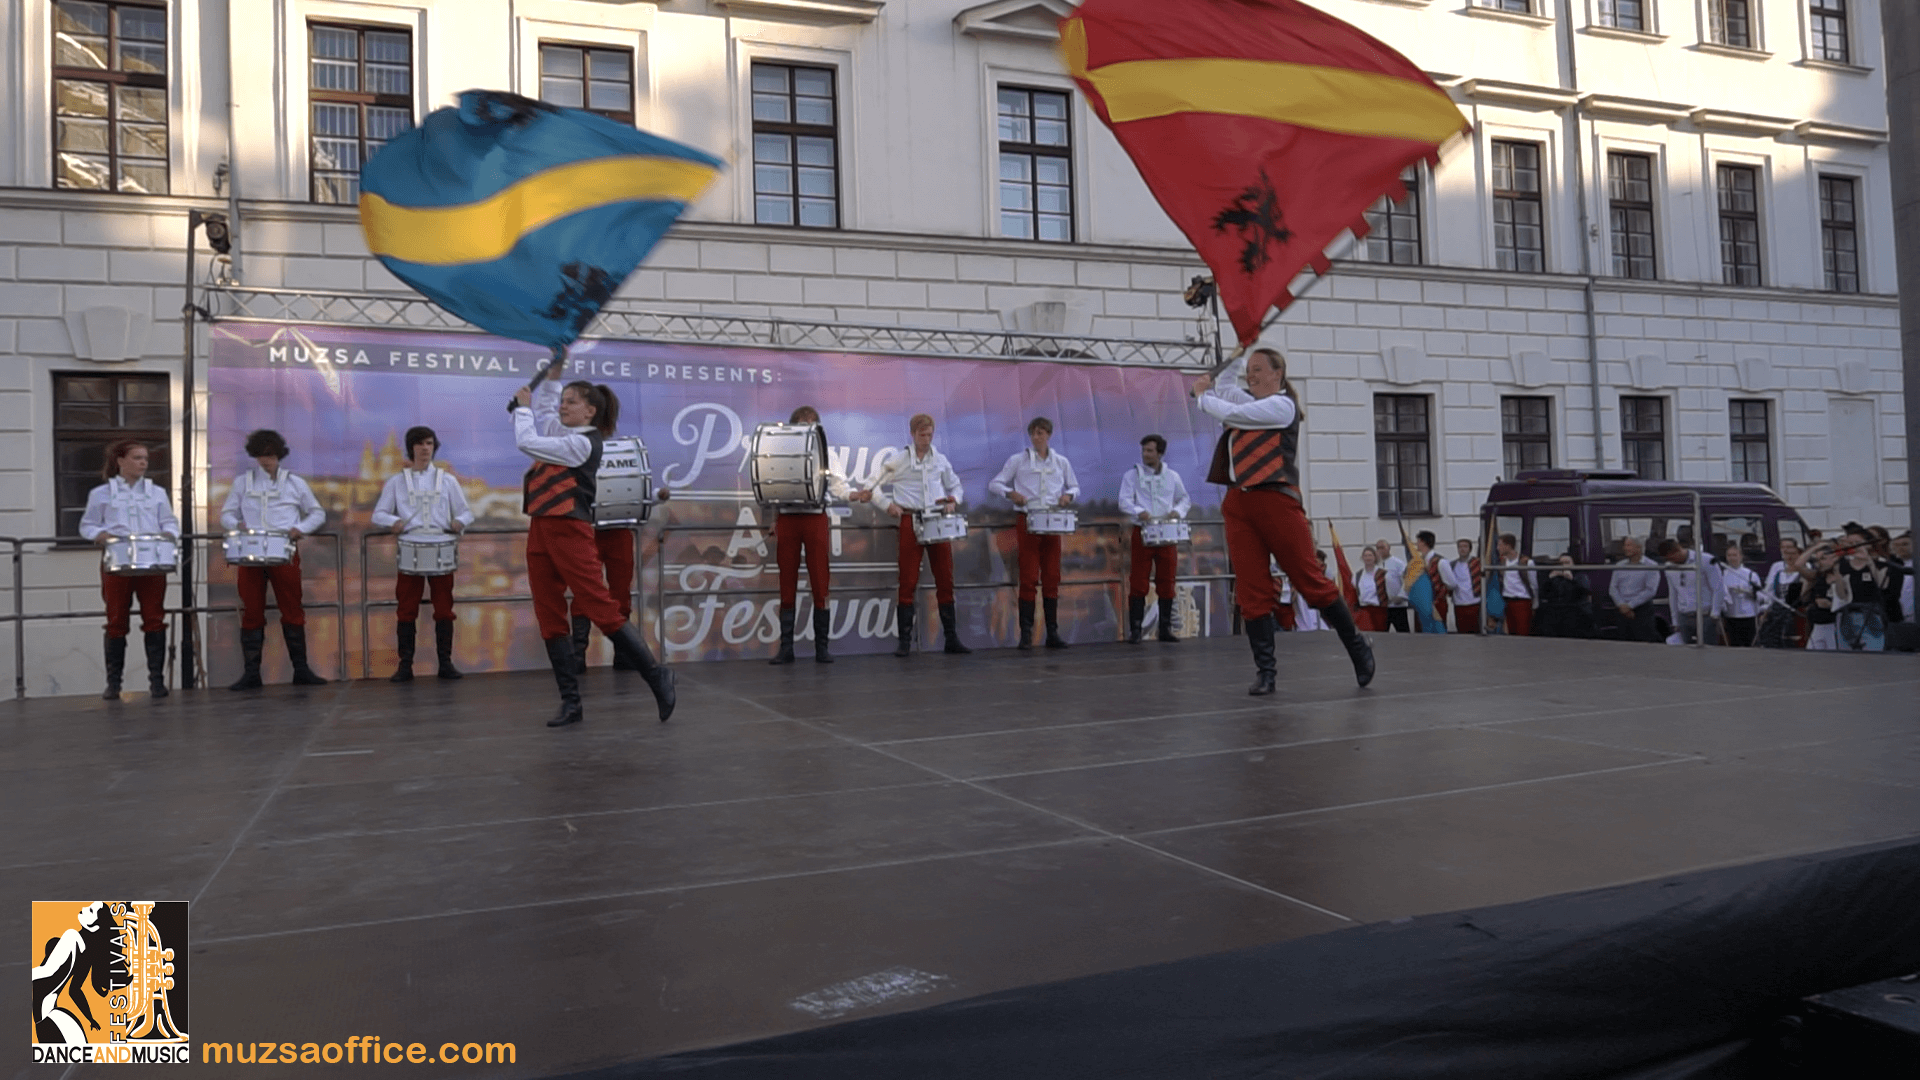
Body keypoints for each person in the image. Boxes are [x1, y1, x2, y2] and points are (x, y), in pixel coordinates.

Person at [1193, 347, 1373, 693]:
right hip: (1240, 502)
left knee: (1309, 579)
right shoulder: (1251, 403)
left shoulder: (1281, 406)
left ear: (1278, 373)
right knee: (1251, 588)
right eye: (1250, 370)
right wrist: (1238, 351)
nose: (1252, 375)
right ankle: (1266, 671)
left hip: (1276, 499)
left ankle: (1357, 646)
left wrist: (1202, 396)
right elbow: (1227, 388)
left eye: (1259, 369)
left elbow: (1231, 410)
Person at [513, 365, 675, 727]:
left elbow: (527, 441)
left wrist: (522, 409)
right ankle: (571, 702)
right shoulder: (566, 434)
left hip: (569, 528)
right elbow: (546, 412)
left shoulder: (583, 443)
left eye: (571, 402)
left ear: (590, 411)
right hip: (542, 526)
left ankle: (655, 674)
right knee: (549, 612)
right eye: (564, 400)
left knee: (598, 603)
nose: (563, 406)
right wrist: (552, 379)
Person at [220, 429, 329, 690]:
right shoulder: (243, 482)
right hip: (250, 555)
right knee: (251, 611)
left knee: (292, 609)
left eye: (270, 455)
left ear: (279, 455)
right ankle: (251, 673)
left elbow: (317, 513)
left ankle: (301, 670)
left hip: (284, 553)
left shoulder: (295, 483)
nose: (266, 460)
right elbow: (226, 514)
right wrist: (237, 525)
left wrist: (300, 528)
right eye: (261, 455)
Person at [79, 439, 180, 699]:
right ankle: (114, 684)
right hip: (117, 561)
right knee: (116, 620)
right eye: (137, 458)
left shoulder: (157, 492)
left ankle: (156, 682)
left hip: (151, 563)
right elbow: (87, 525)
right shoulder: (101, 493)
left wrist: (169, 534)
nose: (143, 463)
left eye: (145, 458)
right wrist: (100, 535)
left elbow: (169, 521)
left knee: (154, 618)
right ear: (120, 461)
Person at [371, 426, 473, 682]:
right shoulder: (396, 482)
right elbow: (378, 514)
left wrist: (459, 522)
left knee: (444, 609)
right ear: (411, 448)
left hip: (441, 546)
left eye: (429, 443)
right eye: (420, 444)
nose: (425, 448)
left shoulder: (448, 480)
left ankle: (445, 663)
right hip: (410, 547)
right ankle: (405, 665)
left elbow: (465, 512)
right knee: (406, 609)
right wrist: (393, 521)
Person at [863, 413, 968, 657]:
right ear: (912, 434)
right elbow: (871, 485)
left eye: (929, 434)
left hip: (936, 519)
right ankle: (905, 642)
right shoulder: (898, 460)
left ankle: (951, 638)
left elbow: (956, 485)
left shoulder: (940, 459)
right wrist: (887, 505)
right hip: (910, 519)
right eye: (922, 434)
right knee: (908, 580)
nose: (926, 439)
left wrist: (953, 500)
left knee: (945, 577)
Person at [767, 406, 852, 665]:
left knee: (820, 579)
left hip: (815, 517)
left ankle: (821, 648)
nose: (807, 428)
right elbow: (770, 485)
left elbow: (838, 485)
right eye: (802, 424)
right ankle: (786, 648)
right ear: (793, 427)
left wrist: (854, 495)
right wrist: (772, 520)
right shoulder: (780, 451)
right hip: (787, 517)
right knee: (786, 580)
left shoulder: (826, 452)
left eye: (812, 424)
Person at [990, 417, 1081, 650]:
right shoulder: (1018, 460)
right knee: (1028, 576)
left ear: (1048, 435)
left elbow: (1075, 486)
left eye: (1041, 433)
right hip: (1028, 519)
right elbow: (995, 483)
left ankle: (1052, 632)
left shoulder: (1061, 462)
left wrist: (1068, 496)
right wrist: (1011, 494)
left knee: (1051, 575)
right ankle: (1026, 634)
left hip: (1052, 520)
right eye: (1033, 433)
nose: (1036, 437)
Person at [1118, 434, 1191, 644]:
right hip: (1143, 531)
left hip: (1167, 533)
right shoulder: (1132, 475)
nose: (1145, 454)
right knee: (1138, 580)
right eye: (1144, 450)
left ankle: (1165, 628)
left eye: (1150, 451)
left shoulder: (1172, 476)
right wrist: (1138, 511)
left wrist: (1177, 512)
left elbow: (1184, 498)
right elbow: (1123, 501)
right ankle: (1136, 630)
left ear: (1160, 453)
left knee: (1167, 580)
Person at [1657, 538, 1724, 645]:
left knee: (1709, 647)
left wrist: (1715, 613)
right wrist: (1675, 620)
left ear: (1678, 550)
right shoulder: (1669, 567)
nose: (1671, 561)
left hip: (1705, 615)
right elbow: (1673, 594)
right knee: (1686, 648)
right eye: (1668, 559)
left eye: (1672, 558)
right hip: (1684, 615)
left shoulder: (1706, 560)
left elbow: (1718, 587)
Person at [1608, 536, 1661, 643]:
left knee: (1643, 643)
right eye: (1625, 545)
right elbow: (1613, 588)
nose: (1625, 548)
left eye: (1629, 545)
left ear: (1639, 548)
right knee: (1623, 643)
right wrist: (1622, 605)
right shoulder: (1619, 565)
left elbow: (1650, 590)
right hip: (1622, 610)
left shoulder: (1651, 566)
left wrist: (1630, 605)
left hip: (1642, 610)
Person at [1756, 538, 1804, 649]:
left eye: (1791, 551)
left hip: (1795, 612)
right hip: (1777, 611)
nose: (1789, 555)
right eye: (1785, 550)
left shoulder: (1805, 569)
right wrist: (1766, 608)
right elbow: (1769, 590)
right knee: (1771, 639)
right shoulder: (1778, 569)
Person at [1534, 554, 1594, 638]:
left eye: (1567, 563)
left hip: (1575, 609)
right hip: (1555, 610)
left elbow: (1584, 592)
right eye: (1561, 563)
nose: (1564, 565)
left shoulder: (1580, 575)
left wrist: (1572, 580)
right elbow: (1543, 593)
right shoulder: (1553, 576)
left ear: (1573, 564)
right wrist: (1549, 580)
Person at [1718, 544, 1761, 648]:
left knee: (1749, 644)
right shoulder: (1722, 574)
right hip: (1731, 615)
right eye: (1729, 555)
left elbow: (1761, 595)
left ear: (1741, 556)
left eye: (1734, 555)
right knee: (1734, 644)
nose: (1732, 558)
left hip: (1748, 615)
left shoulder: (1751, 574)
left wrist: (1748, 592)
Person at [1494, 533, 1535, 636]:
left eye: (1500, 545)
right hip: (1508, 601)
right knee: (1511, 633)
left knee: (1522, 632)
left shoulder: (1526, 562)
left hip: (1522, 601)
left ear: (1508, 546)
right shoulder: (1502, 563)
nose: (1498, 548)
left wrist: (1535, 602)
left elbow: (1533, 583)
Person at [1374, 538, 1409, 632]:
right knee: (1381, 633)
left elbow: (1407, 581)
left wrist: (1401, 596)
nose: (1380, 550)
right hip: (1381, 607)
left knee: (1403, 633)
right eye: (1378, 548)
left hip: (1397, 606)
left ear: (1389, 548)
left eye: (1382, 547)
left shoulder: (1398, 563)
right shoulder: (1375, 565)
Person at [1449, 538, 1483, 634]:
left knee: (1475, 631)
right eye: (1460, 547)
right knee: (1461, 632)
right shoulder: (1453, 564)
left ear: (1470, 549)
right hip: (1459, 604)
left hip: (1474, 603)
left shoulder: (1477, 563)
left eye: (1465, 546)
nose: (1462, 549)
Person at [1353, 545, 1390, 632]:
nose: (1368, 558)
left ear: (1375, 557)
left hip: (1379, 610)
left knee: (1380, 635)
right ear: (1362, 558)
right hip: (1363, 610)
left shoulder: (1382, 573)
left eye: (1370, 555)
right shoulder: (1358, 575)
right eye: (1365, 556)